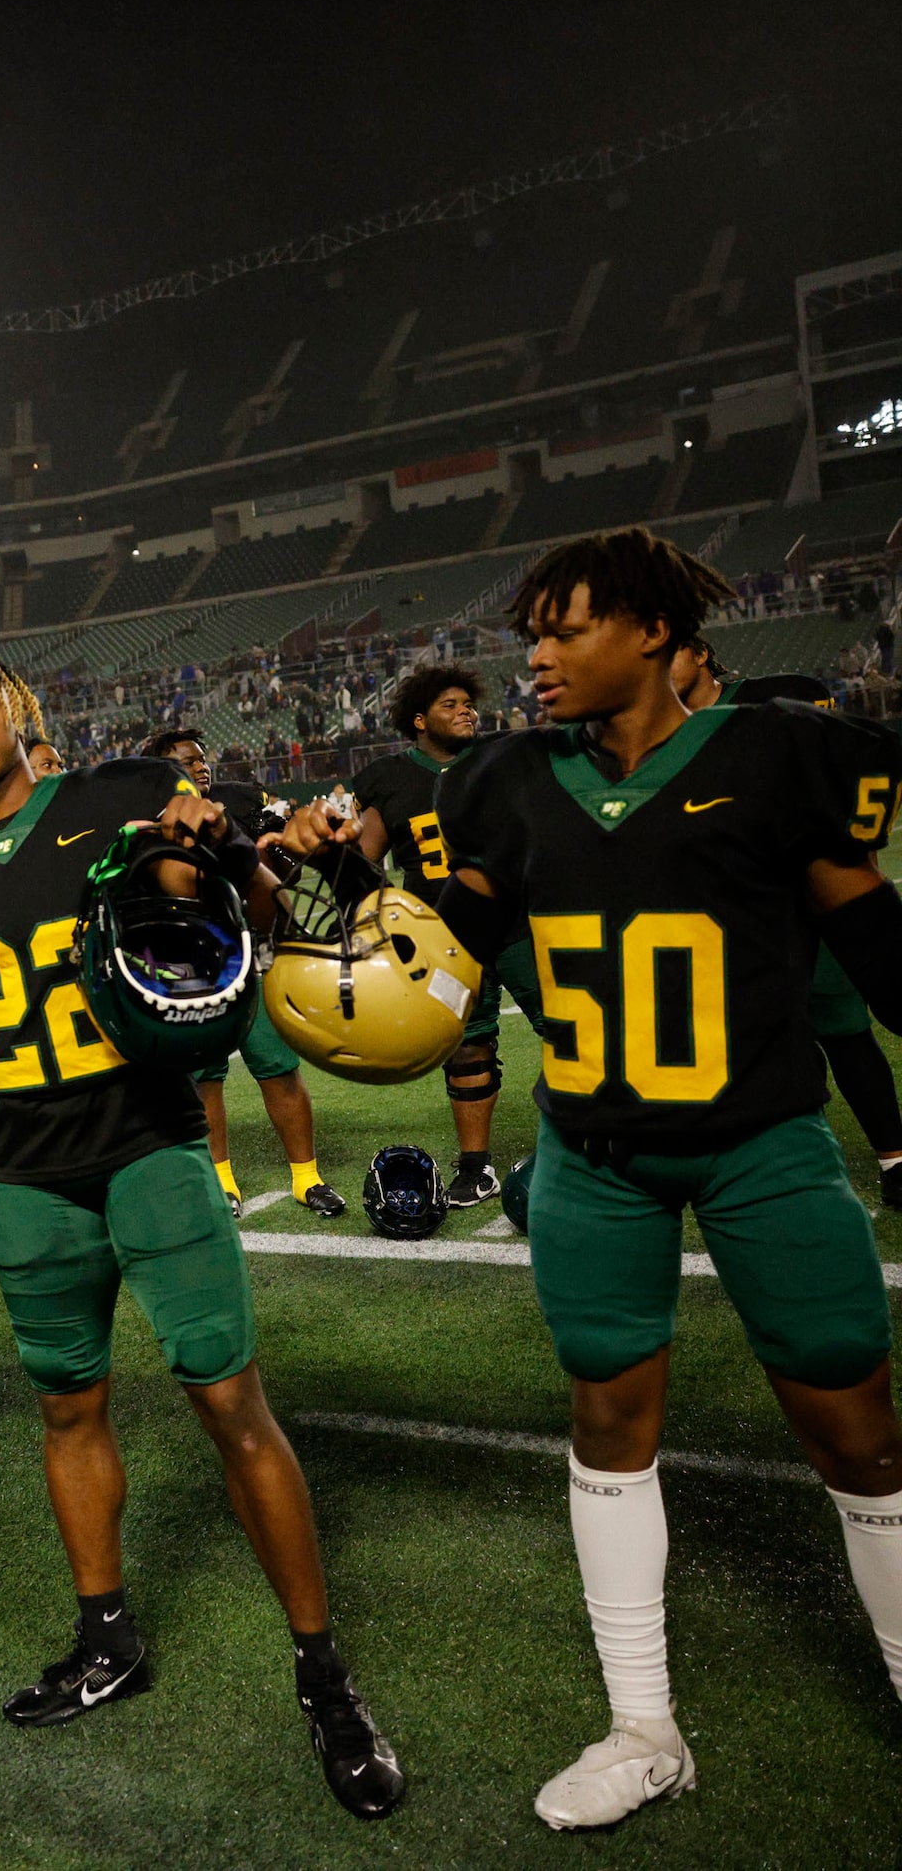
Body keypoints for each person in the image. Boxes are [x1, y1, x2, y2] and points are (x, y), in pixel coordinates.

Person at [0, 654, 403, 1818]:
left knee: (228, 1401)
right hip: (26, 1173)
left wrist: (220, 856)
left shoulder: (114, 797)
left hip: (151, 1146)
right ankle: (104, 1636)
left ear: (19, 715)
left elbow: (240, 923)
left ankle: (324, 1678)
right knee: (68, 1408)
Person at [394, 528, 902, 1830]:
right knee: (610, 1420)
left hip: (762, 1140)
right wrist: (375, 969)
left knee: (858, 1430)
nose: (539, 654)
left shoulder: (779, 755)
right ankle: (642, 1725)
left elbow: (876, 939)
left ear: (659, 637)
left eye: (568, 629)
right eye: (534, 632)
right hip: (595, 1154)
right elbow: (463, 939)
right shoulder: (501, 779)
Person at [667, 647, 902, 1208]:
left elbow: (847, 771)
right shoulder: (659, 729)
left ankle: (894, 1156)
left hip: (808, 892)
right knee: (766, 1037)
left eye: (670, 649)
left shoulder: (779, 695)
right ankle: (800, 1162)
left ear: (701, 654)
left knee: (843, 1026)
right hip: (727, 906)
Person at [144, 728, 346, 1219]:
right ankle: (223, 1182)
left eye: (201, 758)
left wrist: (283, 850)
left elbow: (283, 873)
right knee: (205, 1077)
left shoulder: (238, 801)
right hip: (190, 962)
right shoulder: (149, 819)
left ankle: (307, 1177)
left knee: (277, 1067)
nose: (200, 767)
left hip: (252, 951)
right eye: (186, 762)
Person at [348, 665, 522, 1206]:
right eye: (450, 704)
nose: (466, 710)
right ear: (419, 719)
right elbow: (363, 861)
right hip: (443, 938)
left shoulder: (504, 757)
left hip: (519, 922)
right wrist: (382, 921)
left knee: (572, 1025)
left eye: (469, 702)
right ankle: (476, 1167)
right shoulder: (389, 777)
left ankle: (600, 1138)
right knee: (467, 1047)